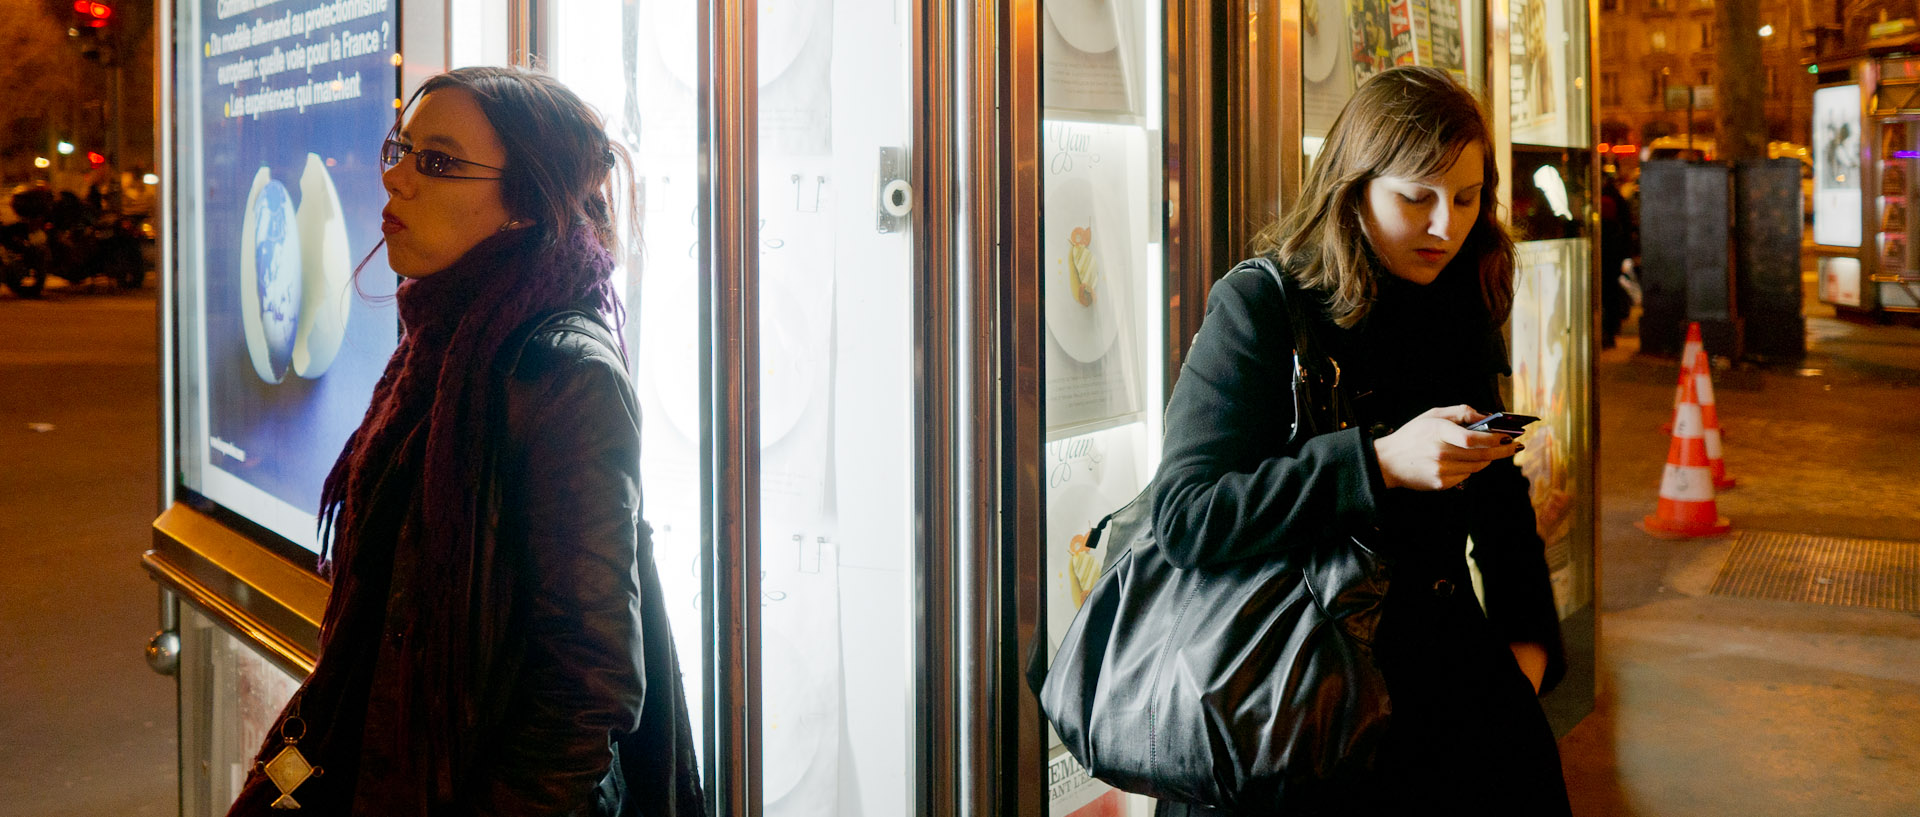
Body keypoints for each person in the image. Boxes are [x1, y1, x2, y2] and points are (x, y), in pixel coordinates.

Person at [226, 66, 704, 816]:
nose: (399, 180)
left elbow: (589, 683)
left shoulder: (560, 371)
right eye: (401, 150)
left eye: (439, 162)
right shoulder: (437, 349)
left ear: (524, 206)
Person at [1149, 66, 1570, 815]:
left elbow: (1500, 497)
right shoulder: (1262, 305)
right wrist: (1374, 464)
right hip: (1293, 705)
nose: (1446, 224)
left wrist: (1527, 648)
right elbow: (1187, 515)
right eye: (1416, 198)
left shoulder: (1458, 298)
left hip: (1452, 706)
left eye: (1468, 198)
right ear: (1354, 187)